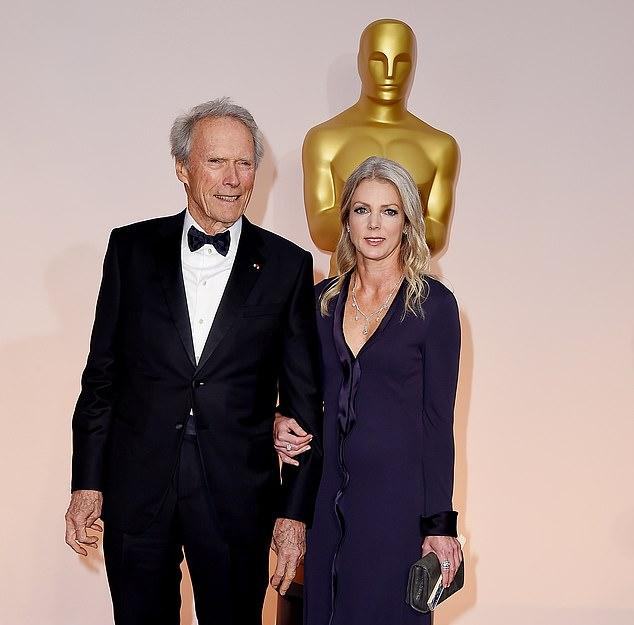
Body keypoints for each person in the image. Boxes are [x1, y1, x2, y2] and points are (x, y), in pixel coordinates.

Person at [64, 98, 323, 625]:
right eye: (216, 162)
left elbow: (304, 405)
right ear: (182, 168)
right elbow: (102, 377)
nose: (233, 179)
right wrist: (86, 481)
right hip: (138, 488)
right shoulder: (130, 249)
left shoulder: (287, 266)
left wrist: (293, 514)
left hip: (237, 497)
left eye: (245, 163)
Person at [275, 156, 462, 625]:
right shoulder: (320, 303)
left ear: (408, 222)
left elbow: (438, 423)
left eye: (389, 211)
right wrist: (277, 420)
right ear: (346, 221)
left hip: (397, 506)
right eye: (362, 210)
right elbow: (298, 396)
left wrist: (439, 524)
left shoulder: (435, 307)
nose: (374, 224)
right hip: (326, 501)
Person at [303, 19, 460, 276]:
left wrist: (364, 222)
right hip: (343, 286)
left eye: (401, 62)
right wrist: (396, 224)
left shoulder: (440, 146)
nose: (389, 73)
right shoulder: (324, 139)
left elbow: (438, 233)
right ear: (361, 62)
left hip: (411, 287)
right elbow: (321, 229)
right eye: (378, 60)